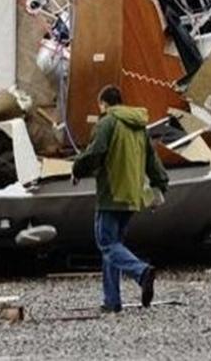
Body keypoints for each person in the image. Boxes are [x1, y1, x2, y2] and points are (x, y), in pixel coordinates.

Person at [71, 84, 169, 314]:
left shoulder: (107, 122)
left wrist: (77, 168)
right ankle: (112, 301)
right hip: (133, 196)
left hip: (112, 193)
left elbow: (96, 152)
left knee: (106, 243)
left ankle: (142, 272)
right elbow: (151, 158)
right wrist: (160, 183)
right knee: (114, 246)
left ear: (103, 104)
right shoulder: (139, 126)